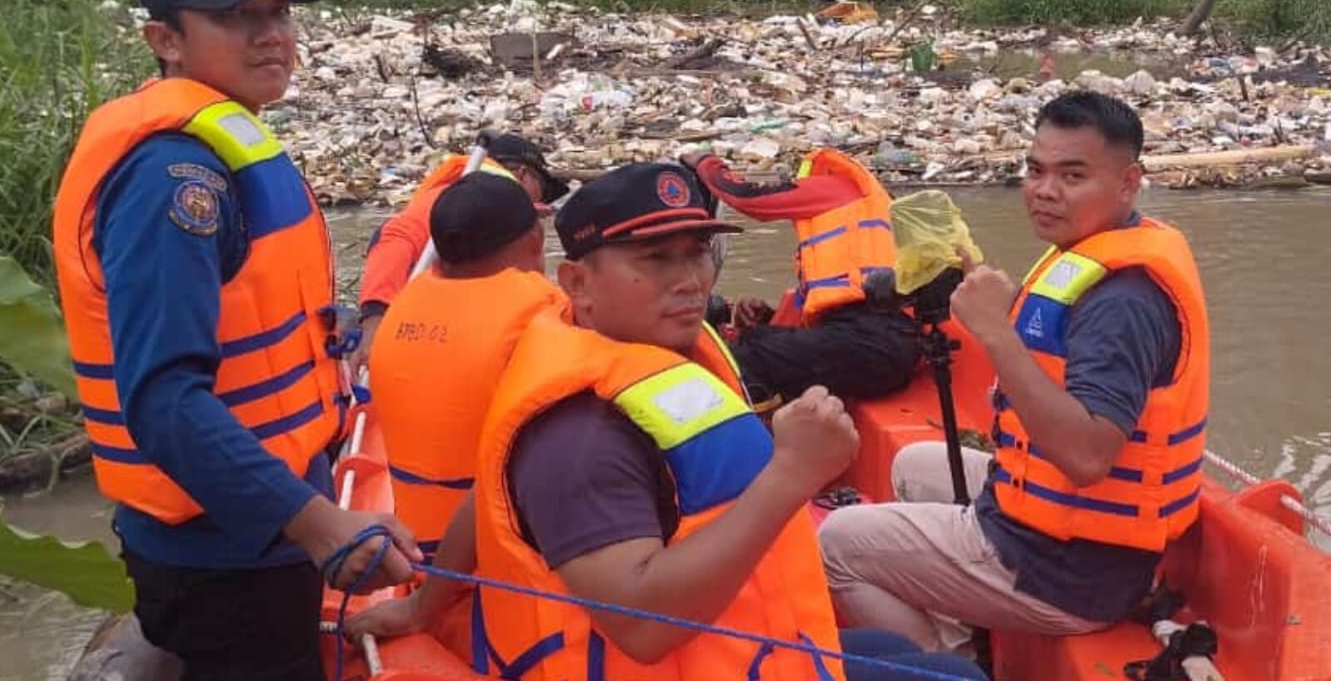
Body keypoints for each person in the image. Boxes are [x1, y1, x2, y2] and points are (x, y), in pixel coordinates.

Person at [355, 162, 984, 680]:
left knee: (899, 655)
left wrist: (422, 606)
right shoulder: (580, 437)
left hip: (734, 642)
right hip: (672, 655)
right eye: (655, 259)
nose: (689, 280)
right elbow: (642, 628)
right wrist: (793, 474)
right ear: (577, 282)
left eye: (697, 253)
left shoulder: (626, 355)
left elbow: (477, 504)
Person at [52, 0, 418, 680]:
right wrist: (325, 527)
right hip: (222, 559)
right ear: (166, 39)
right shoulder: (174, 184)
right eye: (236, 17)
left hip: (260, 526)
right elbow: (164, 401)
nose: (272, 36)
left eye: (279, 13)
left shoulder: (225, 145)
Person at [818, 91, 1211, 654]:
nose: (1045, 191)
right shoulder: (1092, 247)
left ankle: (946, 666)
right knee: (913, 464)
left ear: (1128, 182)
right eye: (1035, 170)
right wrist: (984, 294)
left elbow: (1086, 458)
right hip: (1063, 536)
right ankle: (963, 634)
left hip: (1066, 572)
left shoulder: (1122, 301)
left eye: (1072, 175)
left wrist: (995, 334)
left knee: (837, 542)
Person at [367, 172, 568, 563]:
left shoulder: (402, 309)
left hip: (416, 553)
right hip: (499, 566)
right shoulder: (543, 313)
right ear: (535, 242)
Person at [684, 148, 921, 404]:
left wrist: (705, 163)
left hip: (872, 341)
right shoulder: (863, 220)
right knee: (759, 339)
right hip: (882, 341)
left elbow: (747, 196)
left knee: (749, 354)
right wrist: (768, 317)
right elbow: (834, 306)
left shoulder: (834, 189)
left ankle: (746, 436)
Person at [350, 131, 568, 373]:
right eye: (543, 190)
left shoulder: (479, 209)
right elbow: (394, 239)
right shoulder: (459, 198)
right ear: (523, 175)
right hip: (419, 331)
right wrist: (374, 318)